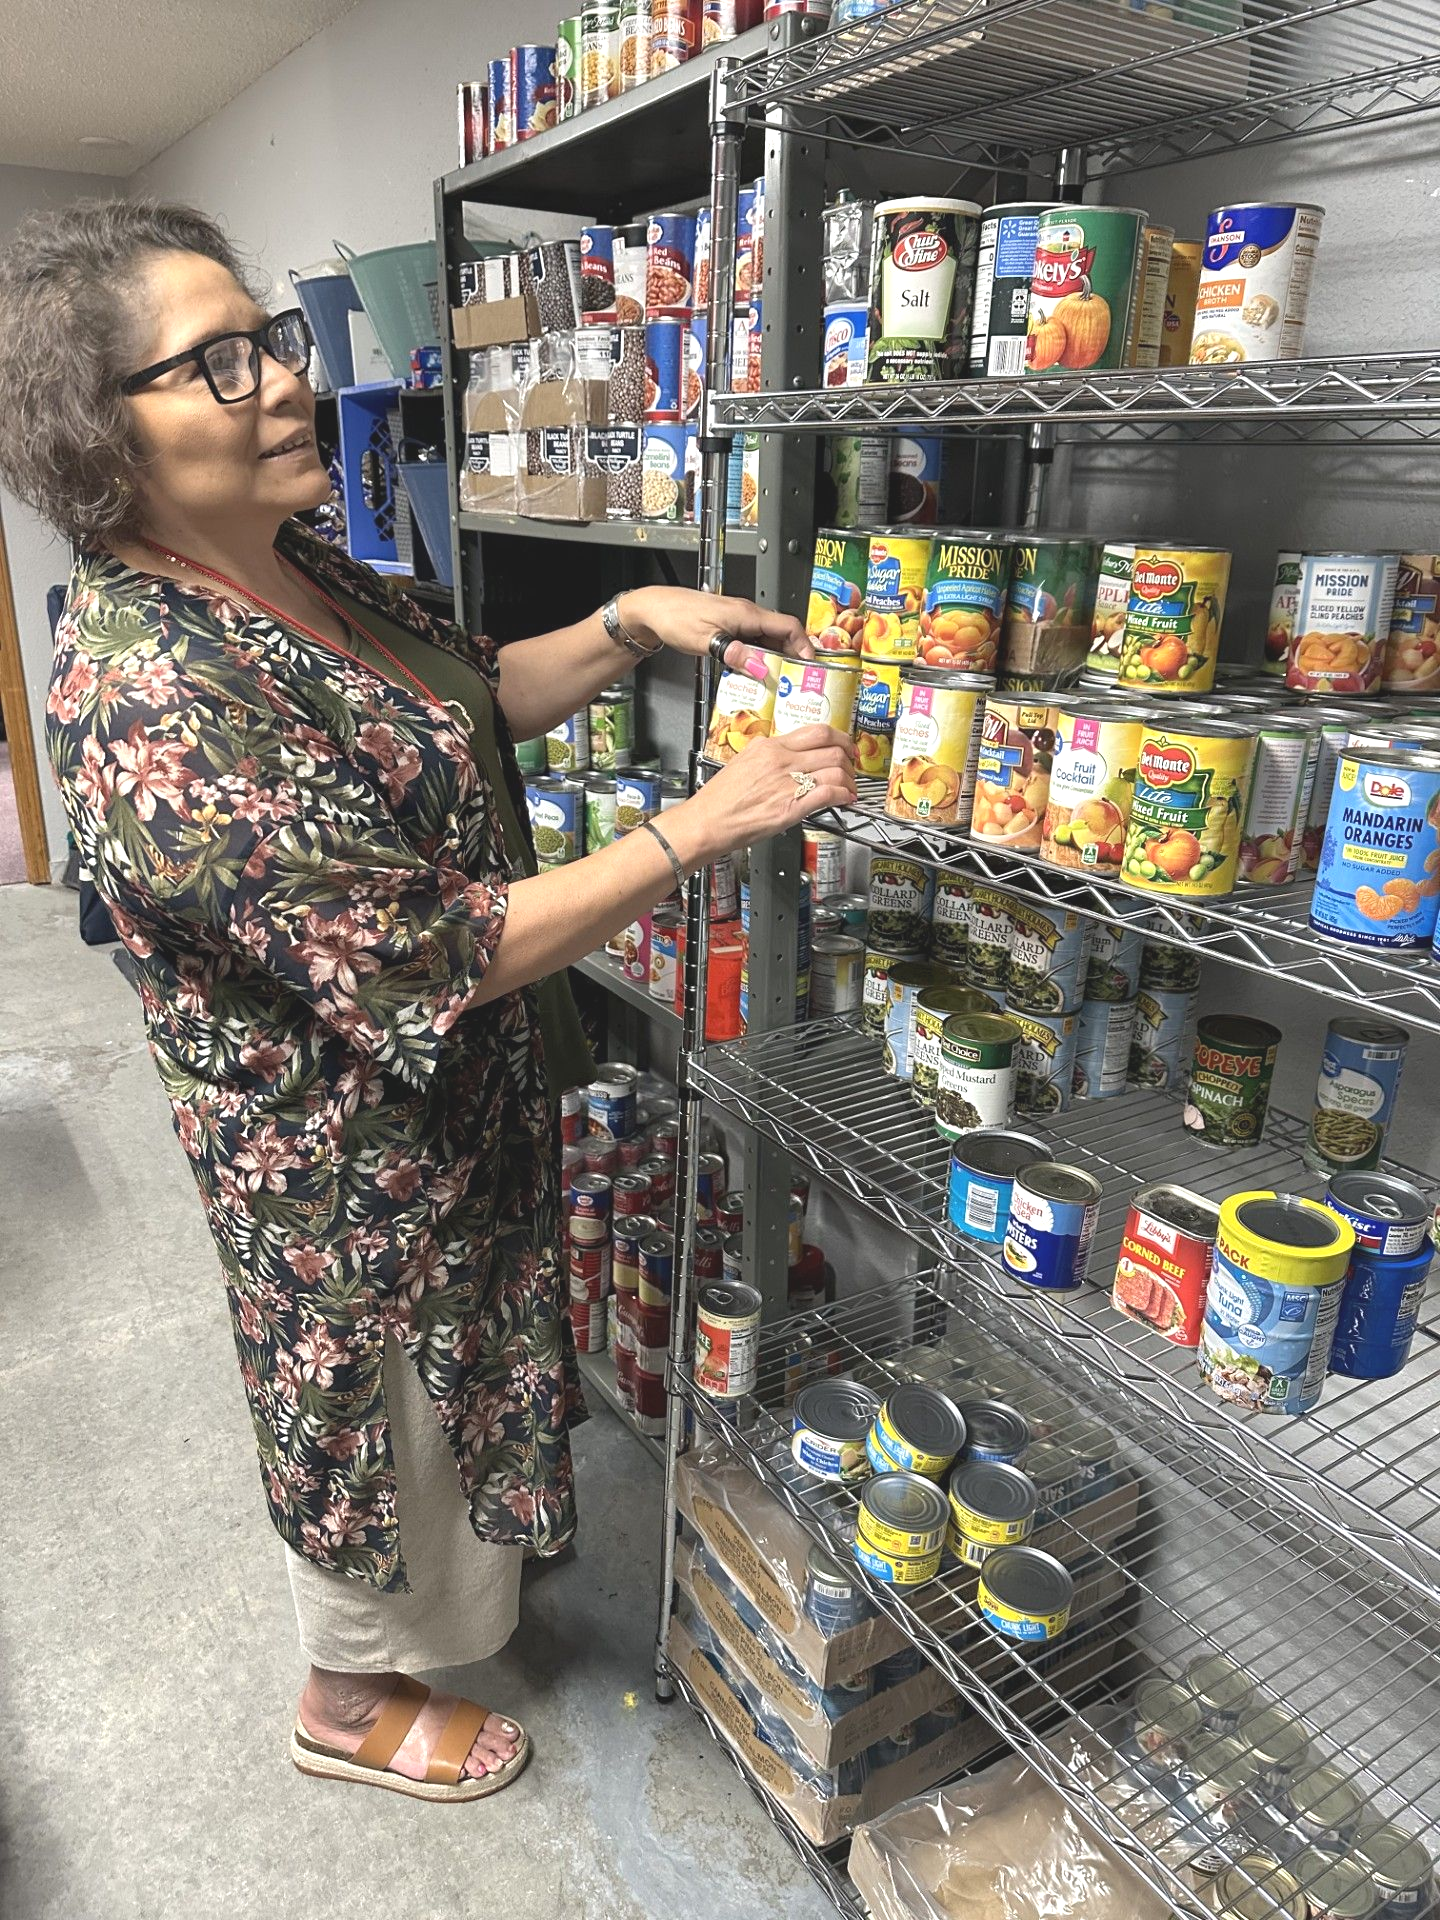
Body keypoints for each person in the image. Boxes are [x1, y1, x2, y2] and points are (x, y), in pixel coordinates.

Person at [0, 199, 856, 1802]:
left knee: (463, 1373)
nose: (282, 384)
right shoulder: (153, 687)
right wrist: (701, 825)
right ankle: (345, 1696)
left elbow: (470, 706)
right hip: (340, 1167)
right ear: (96, 436)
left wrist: (623, 624)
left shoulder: (292, 562)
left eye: (276, 341)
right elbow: (427, 953)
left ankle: (446, 1598)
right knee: (370, 1409)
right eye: (219, 362)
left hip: (454, 1111)